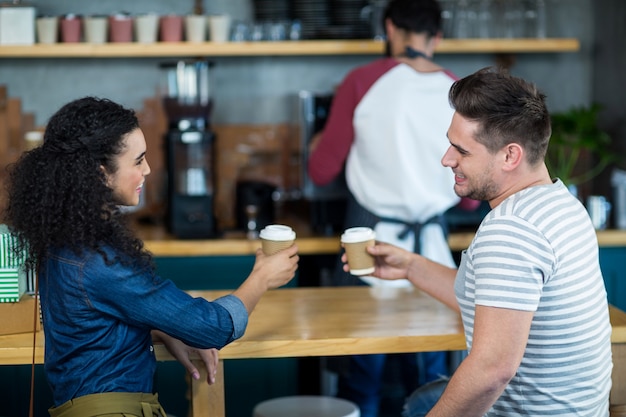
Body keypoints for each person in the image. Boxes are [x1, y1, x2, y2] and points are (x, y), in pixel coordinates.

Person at [3, 97, 299, 417]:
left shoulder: (63, 242)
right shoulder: (101, 262)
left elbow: (97, 324)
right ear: (101, 174)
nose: (148, 169)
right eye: (138, 160)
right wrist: (262, 278)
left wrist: (159, 327)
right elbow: (213, 327)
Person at [346, 67, 613, 416]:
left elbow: (491, 372)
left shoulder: (511, 230)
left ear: (510, 156)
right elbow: (495, 306)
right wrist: (410, 265)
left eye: (462, 151)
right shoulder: (559, 203)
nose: (446, 159)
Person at [308, 0, 479, 415]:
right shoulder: (459, 90)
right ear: (437, 38)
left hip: (369, 252)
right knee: (430, 385)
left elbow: (320, 170)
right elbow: (473, 198)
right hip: (433, 256)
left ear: (389, 29)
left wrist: (318, 144)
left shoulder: (362, 82)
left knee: (362, 381)